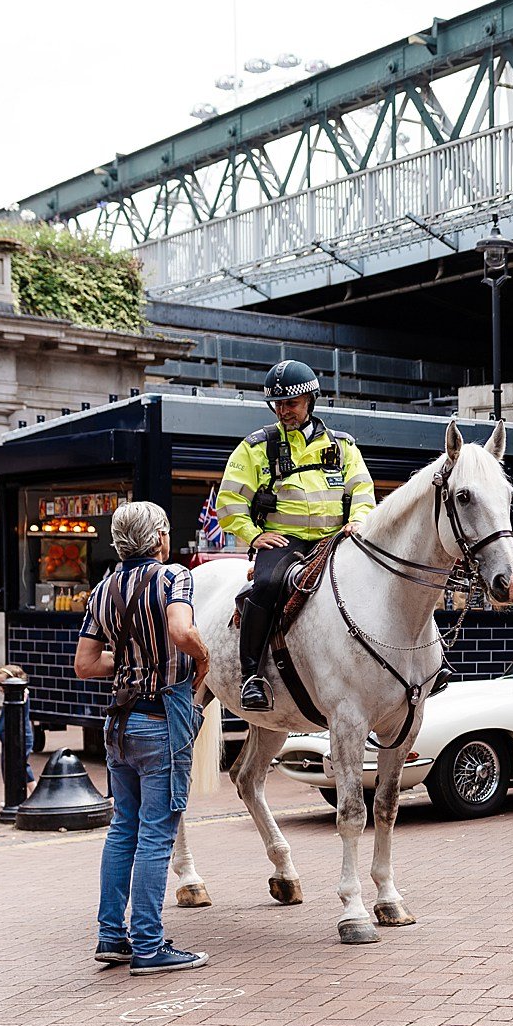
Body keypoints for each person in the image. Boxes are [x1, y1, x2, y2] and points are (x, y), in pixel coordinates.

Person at [74, 502, 212, 976]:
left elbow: (86, 664)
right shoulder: (174, 576)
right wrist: (202, 654)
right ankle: (150, 947)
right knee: (157, 833)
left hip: (117, 724)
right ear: (158, 538)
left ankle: (112, 937)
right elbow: (180, 629)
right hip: (161, 719)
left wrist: (133, 663)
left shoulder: (103, 588)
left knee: (123, 830)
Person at [215, 360, 376, 713]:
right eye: (278, 404)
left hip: (335, 539)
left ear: (310, 401)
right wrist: (253, 535)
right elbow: (228, 501)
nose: (283, 410)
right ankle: (251, 677)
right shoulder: (256, 447)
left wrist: (359, 519)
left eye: (291, 403)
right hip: (283, 541)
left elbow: (363, 489)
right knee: (267, 585)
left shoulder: (344, 446)